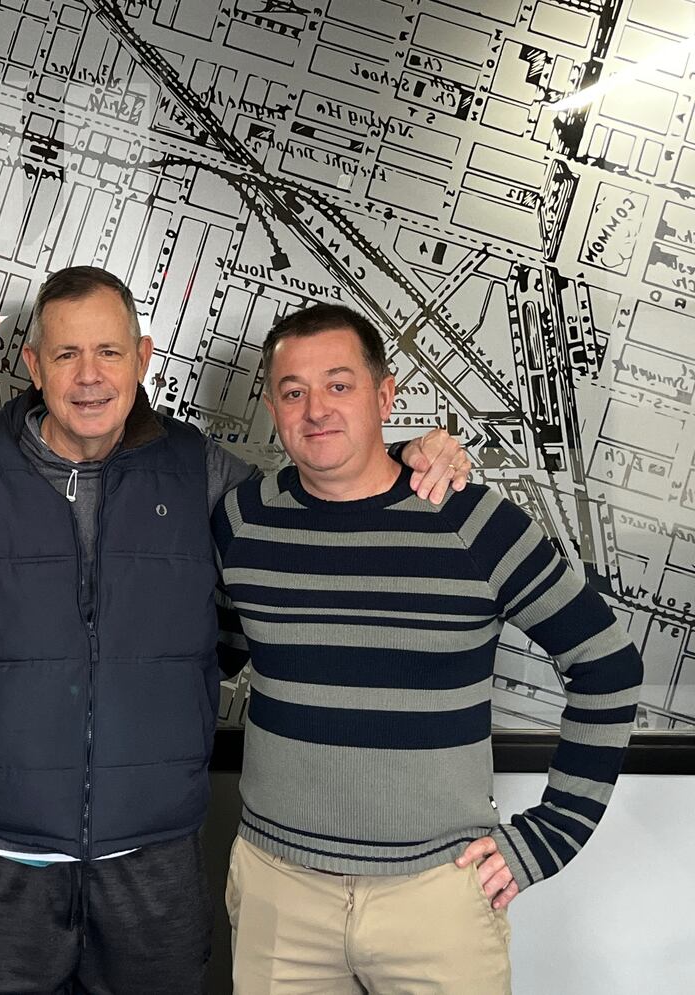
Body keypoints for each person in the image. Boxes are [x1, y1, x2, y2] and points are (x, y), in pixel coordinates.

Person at [0, 267, 470, 994]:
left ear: (144, 356)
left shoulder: (204, 473)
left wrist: (414, 453)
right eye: (66, 355)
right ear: (33, 366)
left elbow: (324, 495)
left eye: (109, 352)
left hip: (151, 862)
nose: (89, 376)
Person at [212, 303, 643, 993]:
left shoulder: (475, 523)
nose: (316, 408)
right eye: (293, 391)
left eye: (339, 384)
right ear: (271, 405)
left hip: (438, 895)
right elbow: (214, 654)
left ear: (385, 395)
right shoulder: (242, 521)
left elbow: (609, 666)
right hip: (278, 892)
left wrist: (554, 831)